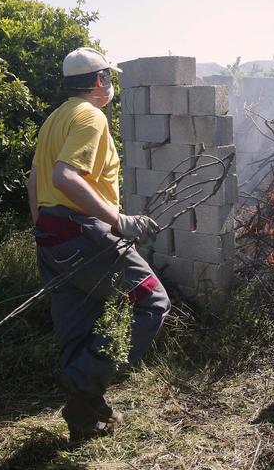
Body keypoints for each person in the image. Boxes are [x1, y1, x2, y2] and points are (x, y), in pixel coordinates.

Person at [26, 47, 171, 442]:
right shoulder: (91, 116)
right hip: (81, 230)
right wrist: (119, 220)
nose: (110, 85)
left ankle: (83, 423)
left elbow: (33, 182)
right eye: (108, 77)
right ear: (97, 82)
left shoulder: (55, 118)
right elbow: (64, 177)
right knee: (152, 301)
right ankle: (81, 378)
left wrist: (45, 230)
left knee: (79, 326)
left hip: (53, 235)